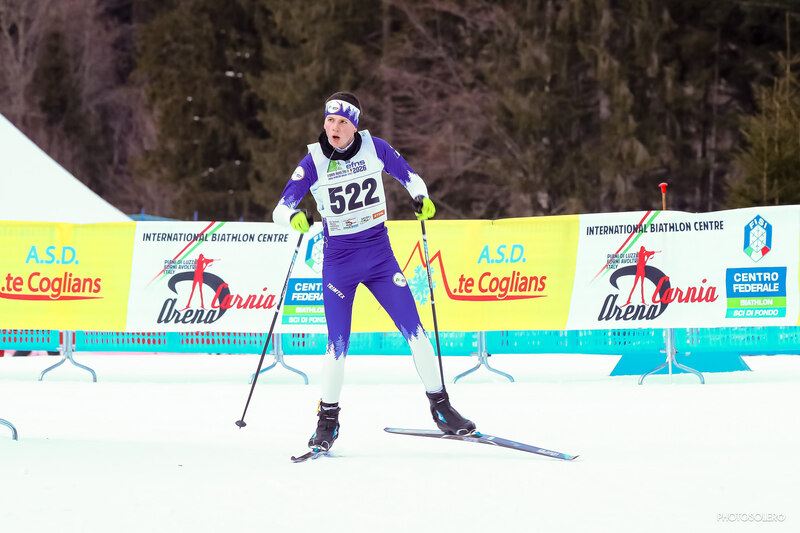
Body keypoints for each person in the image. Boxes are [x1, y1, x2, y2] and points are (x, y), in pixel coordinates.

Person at [273, 92, 476, 452]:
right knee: (337, 344)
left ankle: (442, 408)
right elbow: (280, 209)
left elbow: (411, 178)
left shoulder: (375, 147)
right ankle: (327, 421)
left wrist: (421, 199)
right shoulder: (313, 161)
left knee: (415, 331)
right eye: (330, 120)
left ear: (355, 126)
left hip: (380, 258)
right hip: (340, 264)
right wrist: (295, 218)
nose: (335, 127)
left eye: (343, 122)